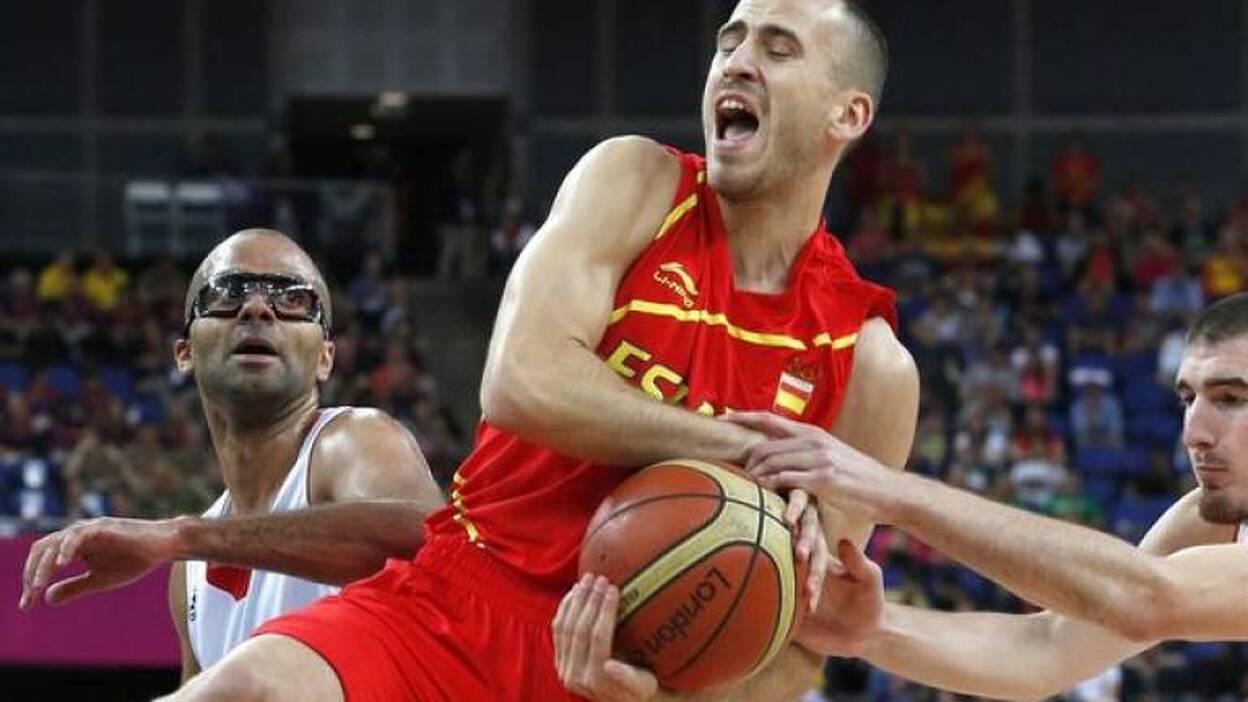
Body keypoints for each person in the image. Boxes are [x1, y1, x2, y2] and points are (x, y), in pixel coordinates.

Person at [163, 1, 917, 700]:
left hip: (621, 670)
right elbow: (521, 381)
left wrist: (658, 699)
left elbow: (796, 639)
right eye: (730, 41)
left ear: (846, 114)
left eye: (778, 49)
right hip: (460, 599)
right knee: (246, 686)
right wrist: (738, 445)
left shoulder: (870, 365)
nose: (737, 62)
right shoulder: (636, 181)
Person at [744, 291, 1248, 699]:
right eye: (1187, 398)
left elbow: (1146, 598)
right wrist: (872, 630)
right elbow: (1048, 650)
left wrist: (893, 493)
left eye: (1230, 398)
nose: (1194, 432)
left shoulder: (1182, 559)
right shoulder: (1209, 519)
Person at [19, 229, 445, 681]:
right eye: (227, 293)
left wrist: (179, 537)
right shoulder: (189, 575)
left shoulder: (352, 440)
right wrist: (185, 545)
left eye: (292, 299)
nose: (258, 308)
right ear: (184, 353)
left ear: (325, 358)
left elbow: (430, 545)